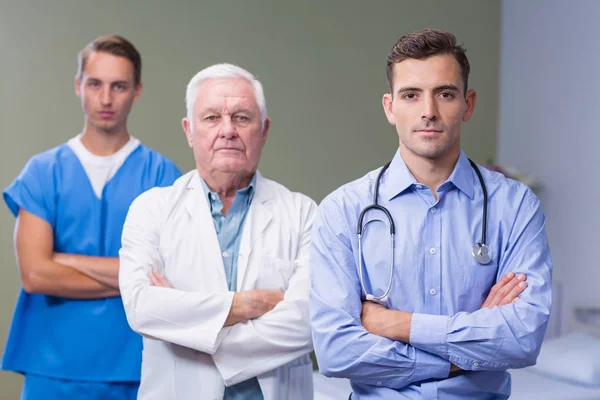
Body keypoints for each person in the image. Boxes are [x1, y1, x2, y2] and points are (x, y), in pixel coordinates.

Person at [309, 29, 552, 399]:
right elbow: (336, 352)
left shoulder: (515, 206)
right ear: (390, 107)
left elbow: (521, 339)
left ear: (468, 104)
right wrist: (460, 354)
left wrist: (397, 324)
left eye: (445, 93)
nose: (428, 111)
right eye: (411, 95)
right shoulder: (343, 211)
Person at [119, 63, 316, 400]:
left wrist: (185, 326)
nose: (228, 130)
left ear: (264, 130)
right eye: (212, 118)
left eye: (242, 117)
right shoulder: (151, 209)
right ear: (189, 130)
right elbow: (142, 307)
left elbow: (307, 321)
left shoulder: (303, 213)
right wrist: (248, 304)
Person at [2, 34, 182, 399]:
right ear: (78, 86)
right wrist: (130, 280)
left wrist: (63, 260)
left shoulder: (163, 177)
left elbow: (166, 278)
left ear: (137, 91)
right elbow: (35, 275)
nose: (105, 99)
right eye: (95, 84)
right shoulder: (43, 172)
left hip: (137, 367)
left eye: (119, 86)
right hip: (52, 369)